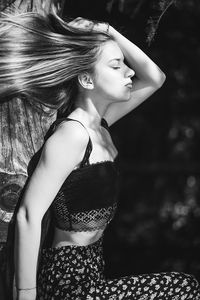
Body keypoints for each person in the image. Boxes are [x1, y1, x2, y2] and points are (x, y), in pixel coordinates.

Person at [1, 11, 199, 300]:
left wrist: (106, 29)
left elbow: (155, 78)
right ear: (86, 79)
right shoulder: (73, 135)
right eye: (116, 66)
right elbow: (29, 215)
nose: (129, 72)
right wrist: (26, 295)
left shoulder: (99, 128)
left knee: (185, 288)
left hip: (92, 273)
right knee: (183, 289)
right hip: (67, 283)